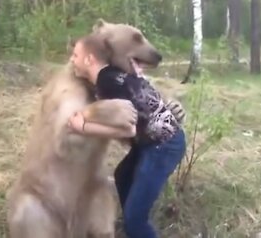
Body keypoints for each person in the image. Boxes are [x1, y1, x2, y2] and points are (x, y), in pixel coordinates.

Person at [67, 34, 186, 238]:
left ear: (89, 60)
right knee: (123, 175)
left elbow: (127, 130)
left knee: (135, 220)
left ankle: (135, 225)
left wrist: (83, 127)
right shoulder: (113, 74)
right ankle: (133, 223)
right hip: (151, 142)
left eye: (75, 55)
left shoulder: (107, 83)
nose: (71, 60)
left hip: (164, 146)